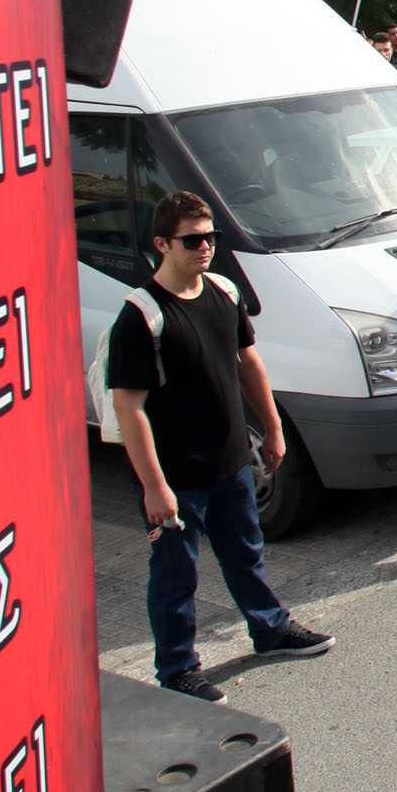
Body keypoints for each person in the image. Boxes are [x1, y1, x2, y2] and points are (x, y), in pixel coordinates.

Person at [107, 193, 334, 702]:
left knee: (246, 553)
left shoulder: (223, 291)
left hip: (231, 462)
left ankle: (270, 629)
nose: (205, 247)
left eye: (211, 237)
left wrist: (273, 428)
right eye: (192, 240)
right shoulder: (141, 317)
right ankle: (177, 671)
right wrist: (154, 487)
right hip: (176, 477)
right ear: (162, 244)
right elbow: (129, 407)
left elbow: (247, 361)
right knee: (175, 577)